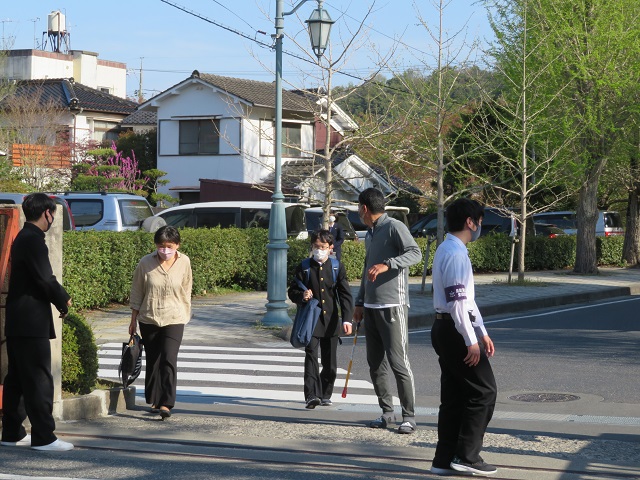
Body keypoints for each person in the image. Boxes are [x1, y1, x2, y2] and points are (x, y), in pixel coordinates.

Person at [430, 198, 498, 476]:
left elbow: (467, 301)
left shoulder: (447, 248)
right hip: (455, 330)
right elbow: (458, 302)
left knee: (454, 396)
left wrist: (482, 331)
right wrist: (471, 340)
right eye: (479, 221)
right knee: (484, 391)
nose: (480, 226)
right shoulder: (456, 253)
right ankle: (468, 456)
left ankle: (444, 459)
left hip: (445, 327)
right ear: (470, 222)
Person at [1, 193, 74, 451]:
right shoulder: (33, 240)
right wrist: (63, 299)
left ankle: (11, 432)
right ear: (47, 213)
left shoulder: (23, 237)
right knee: (39, 379)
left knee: (17, 379)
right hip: (31, 322)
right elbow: (45, 278)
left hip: (18, 320)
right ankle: (44, 437)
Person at [353, 188, 422, 434]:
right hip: (370, 306)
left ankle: (409, 416)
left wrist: (388, 264)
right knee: (375, 364)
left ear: (364, 208)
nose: (358, 212)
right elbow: (366, 269)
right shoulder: (370, 233)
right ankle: (386, 412)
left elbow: (415, 253)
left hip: (393, 305)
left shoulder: (394, 226)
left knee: (398, 362)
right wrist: (359, 302)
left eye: (358, 207)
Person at [129, 225, 193, 419]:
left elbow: (187, 287)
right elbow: (137, 291)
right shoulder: (145, 263)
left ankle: (166, 402)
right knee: (153, 359)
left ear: (177, 245)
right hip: (149, 317)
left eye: (169, 246)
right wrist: (133, 320)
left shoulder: (184, 262)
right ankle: (155, 400)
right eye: (161, 246)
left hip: (175, 317)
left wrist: (184, 310)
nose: (165, 250)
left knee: (168, 357)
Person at [288, 229, 354, 409]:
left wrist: (347, 320)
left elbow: (345, 295)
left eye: (323, 246)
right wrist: (302, 296)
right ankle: (311, 395)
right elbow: (292, 291)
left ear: (330, 247)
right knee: (311, 356)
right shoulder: (304, 267)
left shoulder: (336, 267)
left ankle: (325, 393)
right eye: (316, 246)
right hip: (311, 320)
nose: (319, 250)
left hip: (331, 320)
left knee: (330, 364)